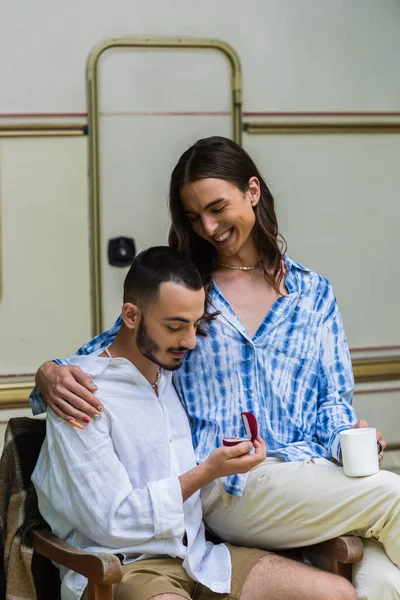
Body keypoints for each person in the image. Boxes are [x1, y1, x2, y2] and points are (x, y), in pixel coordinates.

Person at [30, 137, 397, 599]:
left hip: (309, 476)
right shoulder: (190, 291)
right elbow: (115, 352)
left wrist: (353, 442)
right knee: (394, 497)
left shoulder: (314, 294)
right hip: (226, 486)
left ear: (253, 192)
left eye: (217, 207)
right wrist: (48, 373)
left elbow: (332, 403)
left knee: (384, 577)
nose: (207, 226)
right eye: (192, 216)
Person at [31, 246, 355, 600]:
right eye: (175, 326)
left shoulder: (174, 377)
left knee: (337, 593)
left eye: (196, 324)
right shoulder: (80, 394)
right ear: (131, 315)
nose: (189, 340)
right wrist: (206, 472)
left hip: (201, 559)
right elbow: (112, 522)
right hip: (126, 567)